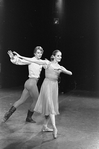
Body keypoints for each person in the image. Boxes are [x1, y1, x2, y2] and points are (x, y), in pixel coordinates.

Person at [16, 49, 72, 139]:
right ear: (53, 56)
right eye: (58, 56)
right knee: (50, 107)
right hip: (47, 86)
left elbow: (70, 73)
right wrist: (20, 56)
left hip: (54, 87)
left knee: (49, 108)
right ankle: (54, 127)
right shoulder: (47, 63)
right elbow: (33, 60)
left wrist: (62, 69)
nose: (60, 57)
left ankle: (45, 126)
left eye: (61, 56)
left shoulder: (60, 66)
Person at [2, 46, 45, 123]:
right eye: (38, 53)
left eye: (41, 53)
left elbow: (47, 66)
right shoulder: (31, 60)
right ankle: (29, 118)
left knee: (21, 100)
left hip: (28, 83)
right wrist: (13, 58)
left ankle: (7, 115)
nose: (39, 54)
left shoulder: (41, 62)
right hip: (31, 83)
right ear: (35, 53)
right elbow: (20, 61)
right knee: (37, 101)